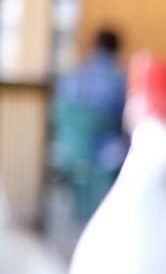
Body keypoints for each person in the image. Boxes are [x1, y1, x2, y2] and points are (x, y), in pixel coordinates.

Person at [50, 27, 128, 224]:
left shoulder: (72, 75)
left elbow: (57, 110)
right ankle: (107, 214)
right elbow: (126, 116)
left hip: (69, 150)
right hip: (102, 153)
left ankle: (80, 211)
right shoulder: (118, 78)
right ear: (117, 49)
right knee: (125, 150)